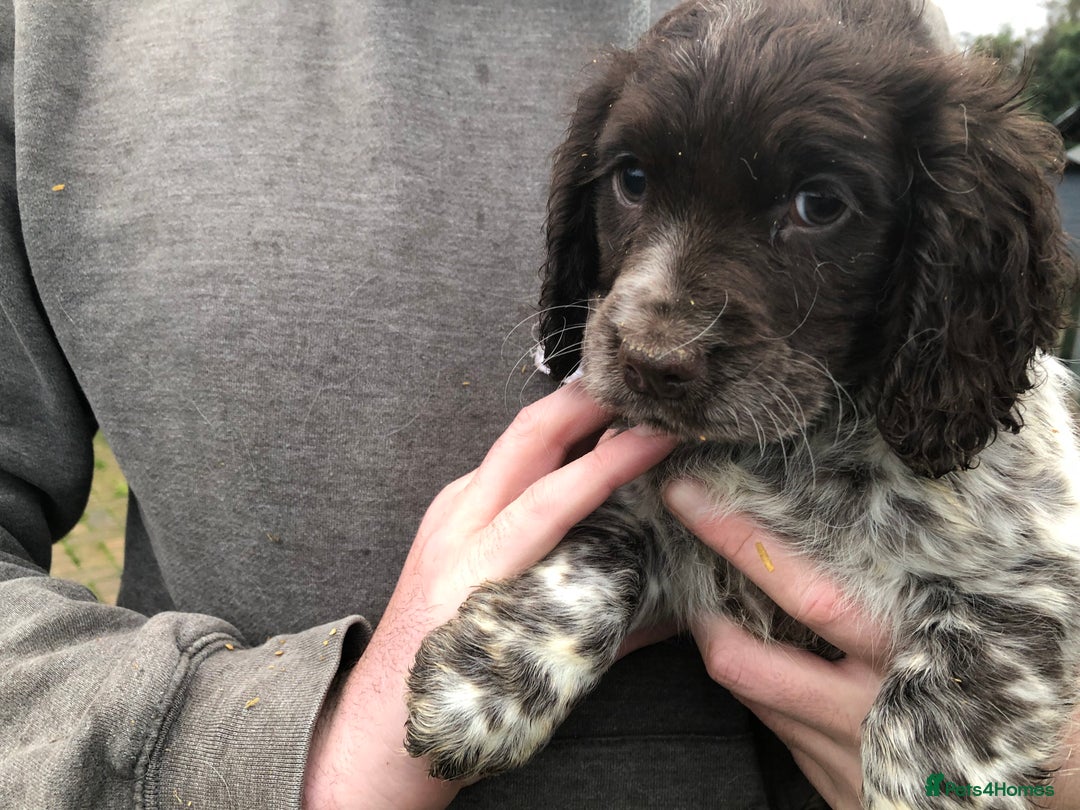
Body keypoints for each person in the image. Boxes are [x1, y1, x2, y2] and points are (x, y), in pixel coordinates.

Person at [2, 2, 1077, 809]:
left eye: (816, 203)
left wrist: (990, 778)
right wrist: (272, 753)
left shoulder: (894, 58)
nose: (653, 324)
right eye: (636, 184)